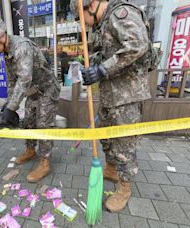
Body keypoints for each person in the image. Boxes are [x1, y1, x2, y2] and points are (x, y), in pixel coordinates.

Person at [70, 0, 151, 212]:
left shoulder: (120, 14)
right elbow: (106, 53)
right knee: (106, 137)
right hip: (109, 94)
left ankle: (124, 187)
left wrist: (102, 70)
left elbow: (138, 45)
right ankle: (111, 169)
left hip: (127, 95)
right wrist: (91, 67)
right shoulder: (102, 23)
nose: (83, 24)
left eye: (81, 18)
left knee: (125, 144)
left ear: (92, 5)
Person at [0, 16, 61, 183]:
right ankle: (30, 150)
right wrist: (6, 106)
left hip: (47, 90)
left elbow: (24, 79)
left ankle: (45, 162)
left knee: (43, 126)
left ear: (0, 35)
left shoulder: (21, 48)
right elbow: (13, 82)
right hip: (32, 92)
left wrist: (12, 108)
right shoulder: (6, 52)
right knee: (29, 122)